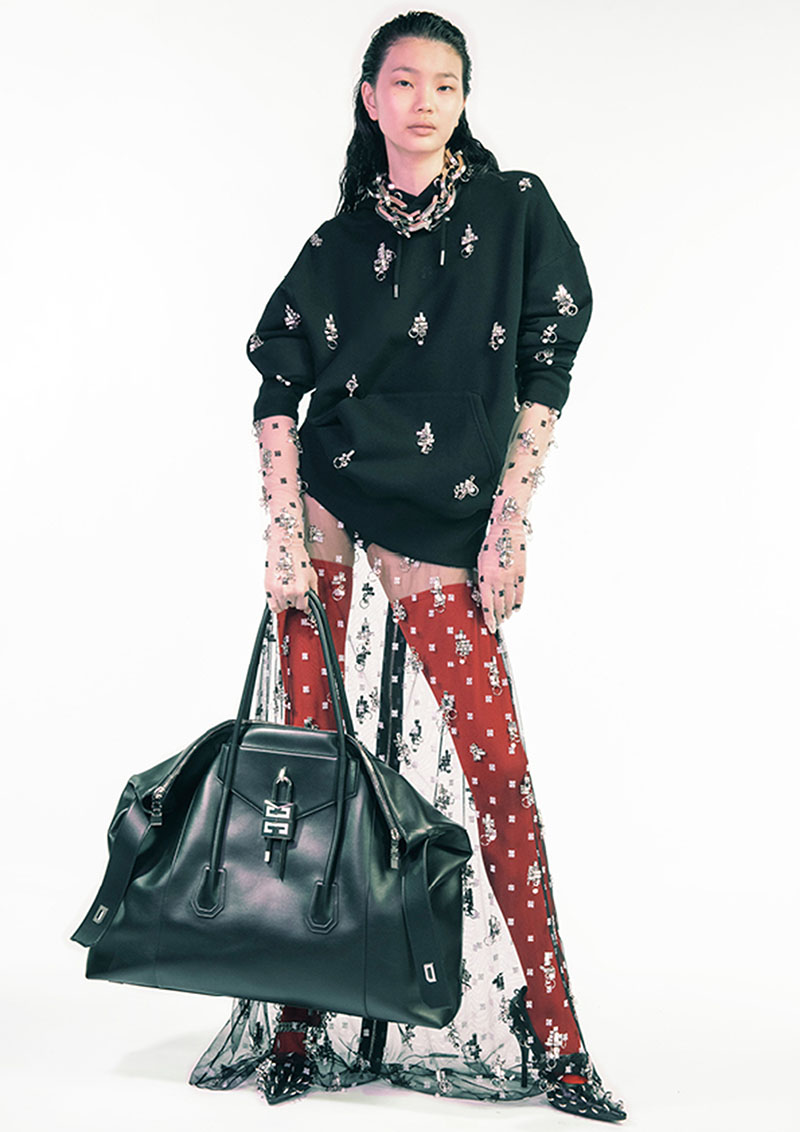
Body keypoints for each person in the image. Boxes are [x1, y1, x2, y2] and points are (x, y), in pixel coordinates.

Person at [189, 10, 626, 1124]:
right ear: (370, 98)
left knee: (497, 767)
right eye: (403, 82)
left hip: (441, 514)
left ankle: (558, 1040)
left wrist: (510, 519)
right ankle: (298, 1024)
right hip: (330, 502)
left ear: (463, 100)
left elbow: (547, 362)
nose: (424, 101)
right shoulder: (338, 241)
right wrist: (280, 530)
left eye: (444, 84)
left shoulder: (513, 208)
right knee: (306, 770)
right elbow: (275, 386)